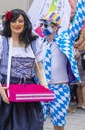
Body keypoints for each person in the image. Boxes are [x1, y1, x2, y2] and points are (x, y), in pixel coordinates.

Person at [0, 9, 48, 130]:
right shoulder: (1, 40)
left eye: (20, 21)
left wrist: (44, 85)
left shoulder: (33, 42)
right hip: (6, 90)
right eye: (13, 21)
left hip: (27, 91)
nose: (17, 24)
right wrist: (0, 89)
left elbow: (38, 68)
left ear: (25, 23)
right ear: (9, 23)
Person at [40, 0, 85, 130]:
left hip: (59, 88)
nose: (42, 27)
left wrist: (81, 2)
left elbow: (78, 21)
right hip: (41, 88)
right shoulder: (38, 43)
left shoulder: (65, 38)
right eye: (41, 24)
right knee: (37, 123)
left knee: (59, 125)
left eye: (45, 24)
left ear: (55, 27)